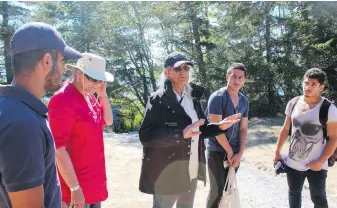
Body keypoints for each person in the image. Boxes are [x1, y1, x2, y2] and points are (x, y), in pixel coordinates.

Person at [138, 52, 241, 208]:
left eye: (186, 68)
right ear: (167, 72)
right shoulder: (157, 100)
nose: (183, 72)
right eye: (178, 68)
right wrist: (180, 135)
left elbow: (201, 129)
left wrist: (220, 126)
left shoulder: (192, 98)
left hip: (191, 169)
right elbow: (146, 136)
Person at [0, 22, 82, 208]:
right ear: (47, 61)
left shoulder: (11, 109)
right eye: (61, 60)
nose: (63, 69)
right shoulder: (22, 124)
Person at [48, 53, 114, 208]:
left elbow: (108, 120)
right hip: (75, 188)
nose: (97, 84)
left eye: (101, 80)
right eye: (93, 79)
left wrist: (102, 95)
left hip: (93, 184)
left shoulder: (90, 96)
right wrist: (74, 187)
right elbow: (58, 148)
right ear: (78, 74)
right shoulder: (62, 100)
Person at [274, 68, 337, 208]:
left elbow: (334, 138)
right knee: (294, 193)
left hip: (317, 164)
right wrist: (277, 151)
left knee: (319, 199)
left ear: (321, 87)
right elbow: (285, 129)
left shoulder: (329, 109)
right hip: (293, 161)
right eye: (306, 83)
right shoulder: (293, 103)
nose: (307, 87)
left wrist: (320, 161)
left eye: (313, 84)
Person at [206, 63, 249, 208]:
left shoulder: (244, 101)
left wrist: (239, 152)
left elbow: (243, 128)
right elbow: (216, 129)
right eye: (234, 76)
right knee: (216, 191)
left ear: (244, 80)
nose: (237, 80)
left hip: (235, 152)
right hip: (216, 151)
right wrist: (229, 151)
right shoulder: (217, 98)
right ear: (227, 77)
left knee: (228, 188)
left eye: (240, 77)